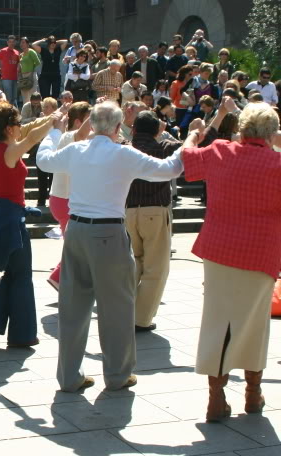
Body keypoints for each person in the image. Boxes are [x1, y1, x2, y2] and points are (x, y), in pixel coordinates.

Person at [36, 100, 185, 393]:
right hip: (108, 231)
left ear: (91, 124)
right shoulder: (122, 154)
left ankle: (69, 376)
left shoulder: (76, 150)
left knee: (74, 306)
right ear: (118, 127)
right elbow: (169, 169)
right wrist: (188, 141)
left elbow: (43, 160)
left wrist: (52, 131)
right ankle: (117, 374)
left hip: (77, 229)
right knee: (116, 305)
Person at [181, 98, 281, 422]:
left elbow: (187, 158)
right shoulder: (277, 164)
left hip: (220, 250)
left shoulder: (221, 151)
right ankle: (253, 394)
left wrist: (195, 133)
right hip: (261, 253)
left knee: (217, 321)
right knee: (255, 323)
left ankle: (215, 398)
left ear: (241, 128)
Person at [0, 102, 53, 348]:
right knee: (21, 276)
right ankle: (20, 334)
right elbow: (32, 137)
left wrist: (49, 117)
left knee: (16, 273)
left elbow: (28, 128)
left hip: (1, 215)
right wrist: (53, 121)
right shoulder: (9, 151)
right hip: (8, 219)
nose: (21, 128)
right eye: (17, 125)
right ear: (9, 129)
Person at [125, 110, 182, 332]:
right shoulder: (163, 148)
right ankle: (141, 318)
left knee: (135, 263)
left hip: (130, 211)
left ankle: (126, 310)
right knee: (156, 267)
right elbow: (187, 145)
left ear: (135, 129)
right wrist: (164, 132)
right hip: (156, 211)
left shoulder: (125, 148)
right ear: (156, 129)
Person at [46, 101, 92, 290]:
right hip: (65, 200)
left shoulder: (75, 138)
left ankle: (66, 278)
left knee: (77, 245)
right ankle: (58, 277)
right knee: (77, 246)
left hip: (64, 199)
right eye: (91, 118)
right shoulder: (70, 137)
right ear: (80, 121)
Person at [0, 35, 20, 108]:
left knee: (15, 97)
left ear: (15, 43)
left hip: (15, 78)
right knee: (8, 97)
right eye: (10, 42)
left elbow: (19, 64)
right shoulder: (3, 51)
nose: (11, 43)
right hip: (6, 78)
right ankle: (8, 112)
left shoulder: (17, 52)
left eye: (13, 42)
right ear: (7, 42)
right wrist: (0, 70)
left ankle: (14, 112)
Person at [17, 37, 41, 105]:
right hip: (23, 77)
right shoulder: (21, 55)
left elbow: (38, 62)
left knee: (33, 95)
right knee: (25, 97)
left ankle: (34, 112)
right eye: (21, 43)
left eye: (23, 42)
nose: (21, 44)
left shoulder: (31, 51)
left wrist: (32, 70)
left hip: (31, 75)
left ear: (27, 44)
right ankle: (26, 113)